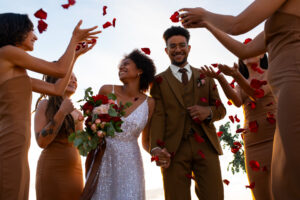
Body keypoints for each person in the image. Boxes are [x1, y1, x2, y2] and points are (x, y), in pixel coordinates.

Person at [180, 1, 300, 199]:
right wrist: (207, 25)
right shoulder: (279, 21)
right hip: (287, 90)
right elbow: (243, 51)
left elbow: (238, 25)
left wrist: (205, 14)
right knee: (285, 182)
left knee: (293, 177)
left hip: (294, 85)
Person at [0, 13, 100, 200]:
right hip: (9, 141)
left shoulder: (17, 72)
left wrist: (75, 57)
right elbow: (59, 71)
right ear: (16, 30)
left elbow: (56, 87)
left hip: (20, 145)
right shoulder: (7, 52)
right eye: (31, 31)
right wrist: (74, 40)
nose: (35, 36)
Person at [149, 26, 226, 200]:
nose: (178, 49)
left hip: (206, 145)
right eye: (173, 46)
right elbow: (158, 116)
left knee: (215, 196)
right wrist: (156, 148)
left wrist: (208, 112)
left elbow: (221, 110)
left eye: (182, 45)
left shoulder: (206, 77)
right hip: (172, 149)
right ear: (166, 50)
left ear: (188, 48)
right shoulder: (158, 82)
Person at [199, 41, 276, 200]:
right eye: (244, 50)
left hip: (276, 137)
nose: (248, 52)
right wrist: (220, 77)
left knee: (284, 189)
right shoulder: (241, 81)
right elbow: (237, 100)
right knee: (261, 193)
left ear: (262, 54)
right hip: (253, 142)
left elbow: (257, 94)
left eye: (253, 48)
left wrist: (236, 75)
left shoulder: (271, 72)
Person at [84, 49, 157, 200]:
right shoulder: (106, 90)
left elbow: (146, 142)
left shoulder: (149, 103)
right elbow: (93, 126)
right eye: (120, 65)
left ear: (140, 70)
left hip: (131, 163)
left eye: (126, 64)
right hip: (103, 158)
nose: (121, 67)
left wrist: (157, 153)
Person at [34, 46, 92, 200]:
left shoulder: (79, 114)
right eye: (68, 76)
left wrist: (98, 127)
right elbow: (41, 141)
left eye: (75, 78)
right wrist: (61, 113)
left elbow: (83, 147)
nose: (73, 80)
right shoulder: (45, 105)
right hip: (52, 171)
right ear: (55, 80)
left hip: (75, 173)